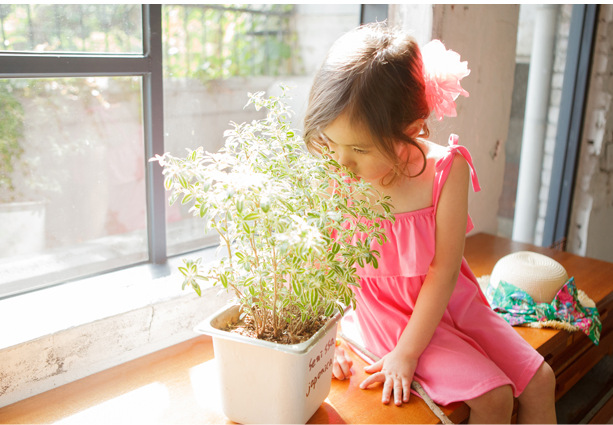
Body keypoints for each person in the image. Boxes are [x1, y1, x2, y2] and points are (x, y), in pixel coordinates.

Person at [303, 22, 557, 424]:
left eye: (359, 149)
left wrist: (409, 354)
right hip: (388, 315)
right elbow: (321, 269)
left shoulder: (447, 169)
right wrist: (326, 343)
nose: (342, 161)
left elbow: (444, 270)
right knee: (495, 399)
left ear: (410, 130)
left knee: (542, 380)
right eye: (331, 143)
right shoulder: (338, 174)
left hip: (451, 301)